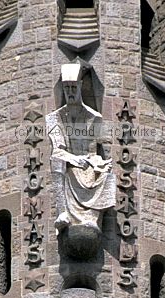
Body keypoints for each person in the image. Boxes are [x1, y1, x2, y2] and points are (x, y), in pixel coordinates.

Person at [45, 63, 116, 235]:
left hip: (88, 162)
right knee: (57, 161)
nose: (70, 91)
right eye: (66, 87)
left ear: (80, 87)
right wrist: (76, 159)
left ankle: (91, 218)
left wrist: (97, 163)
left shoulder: (94, 117)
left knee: (105, 172)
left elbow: (94, 149)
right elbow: (57, 150)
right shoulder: (54, 118)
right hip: (69, 161)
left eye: (73, 87)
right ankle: (63, 213)